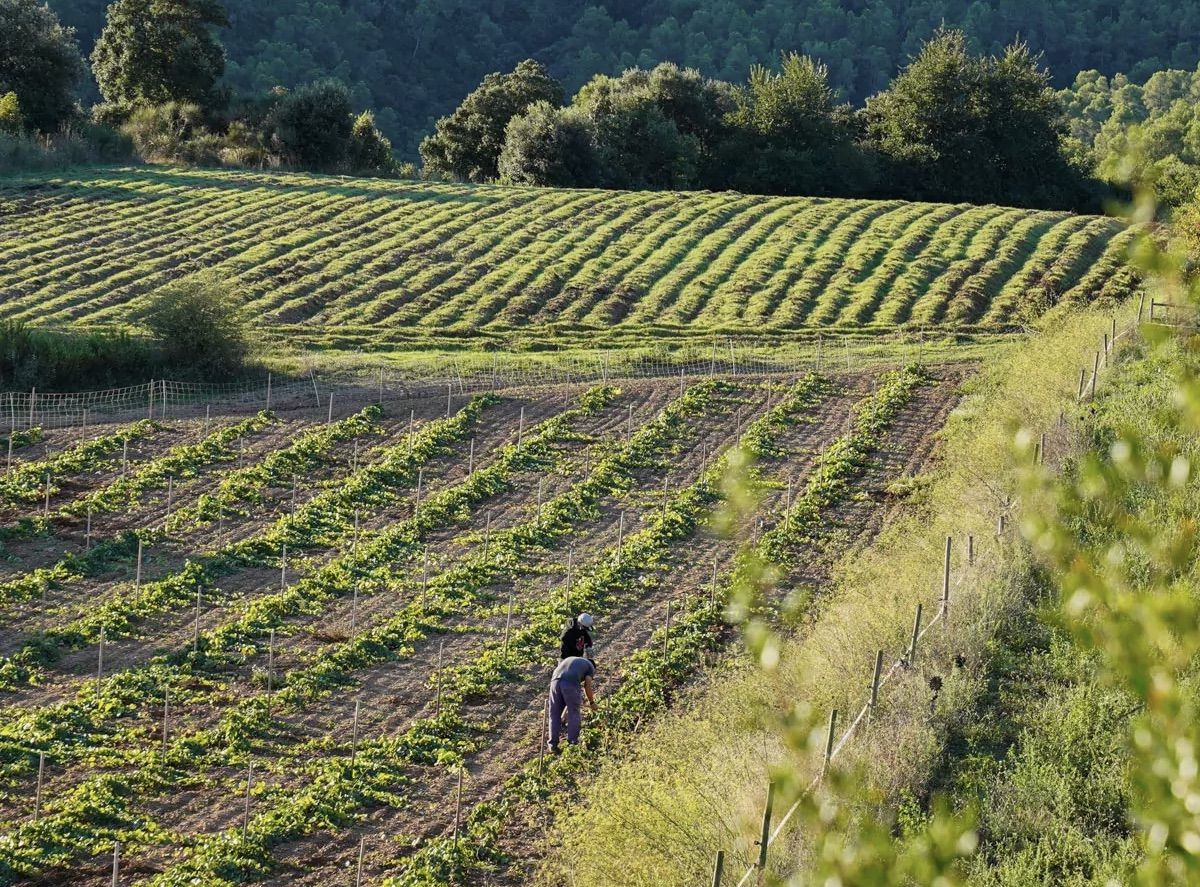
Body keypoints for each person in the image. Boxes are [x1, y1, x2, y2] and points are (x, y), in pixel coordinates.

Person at [547, 655, 596, 752]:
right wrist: (592, 702)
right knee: (573, 712)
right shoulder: (590, 667)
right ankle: (572, 743)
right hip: (570, 683)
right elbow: (587, 684)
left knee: (554, 714)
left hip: (555, 682)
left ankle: (552, 745)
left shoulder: (574, 660)